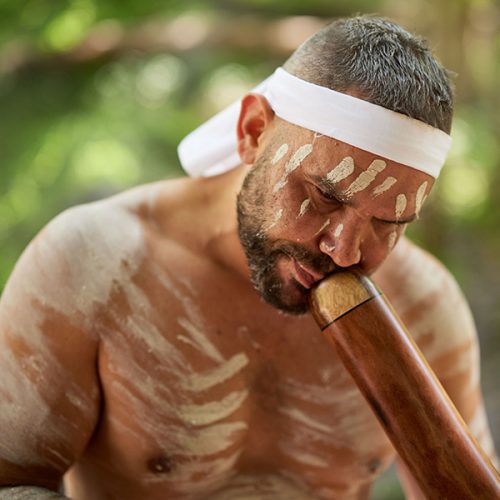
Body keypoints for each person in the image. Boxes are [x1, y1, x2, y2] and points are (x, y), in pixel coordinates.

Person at [0, 15, 497, 500]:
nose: (344, 251)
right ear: (254, 130)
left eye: (388, 223)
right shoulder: (93, 265)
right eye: (324, 196)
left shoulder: (424, 307)